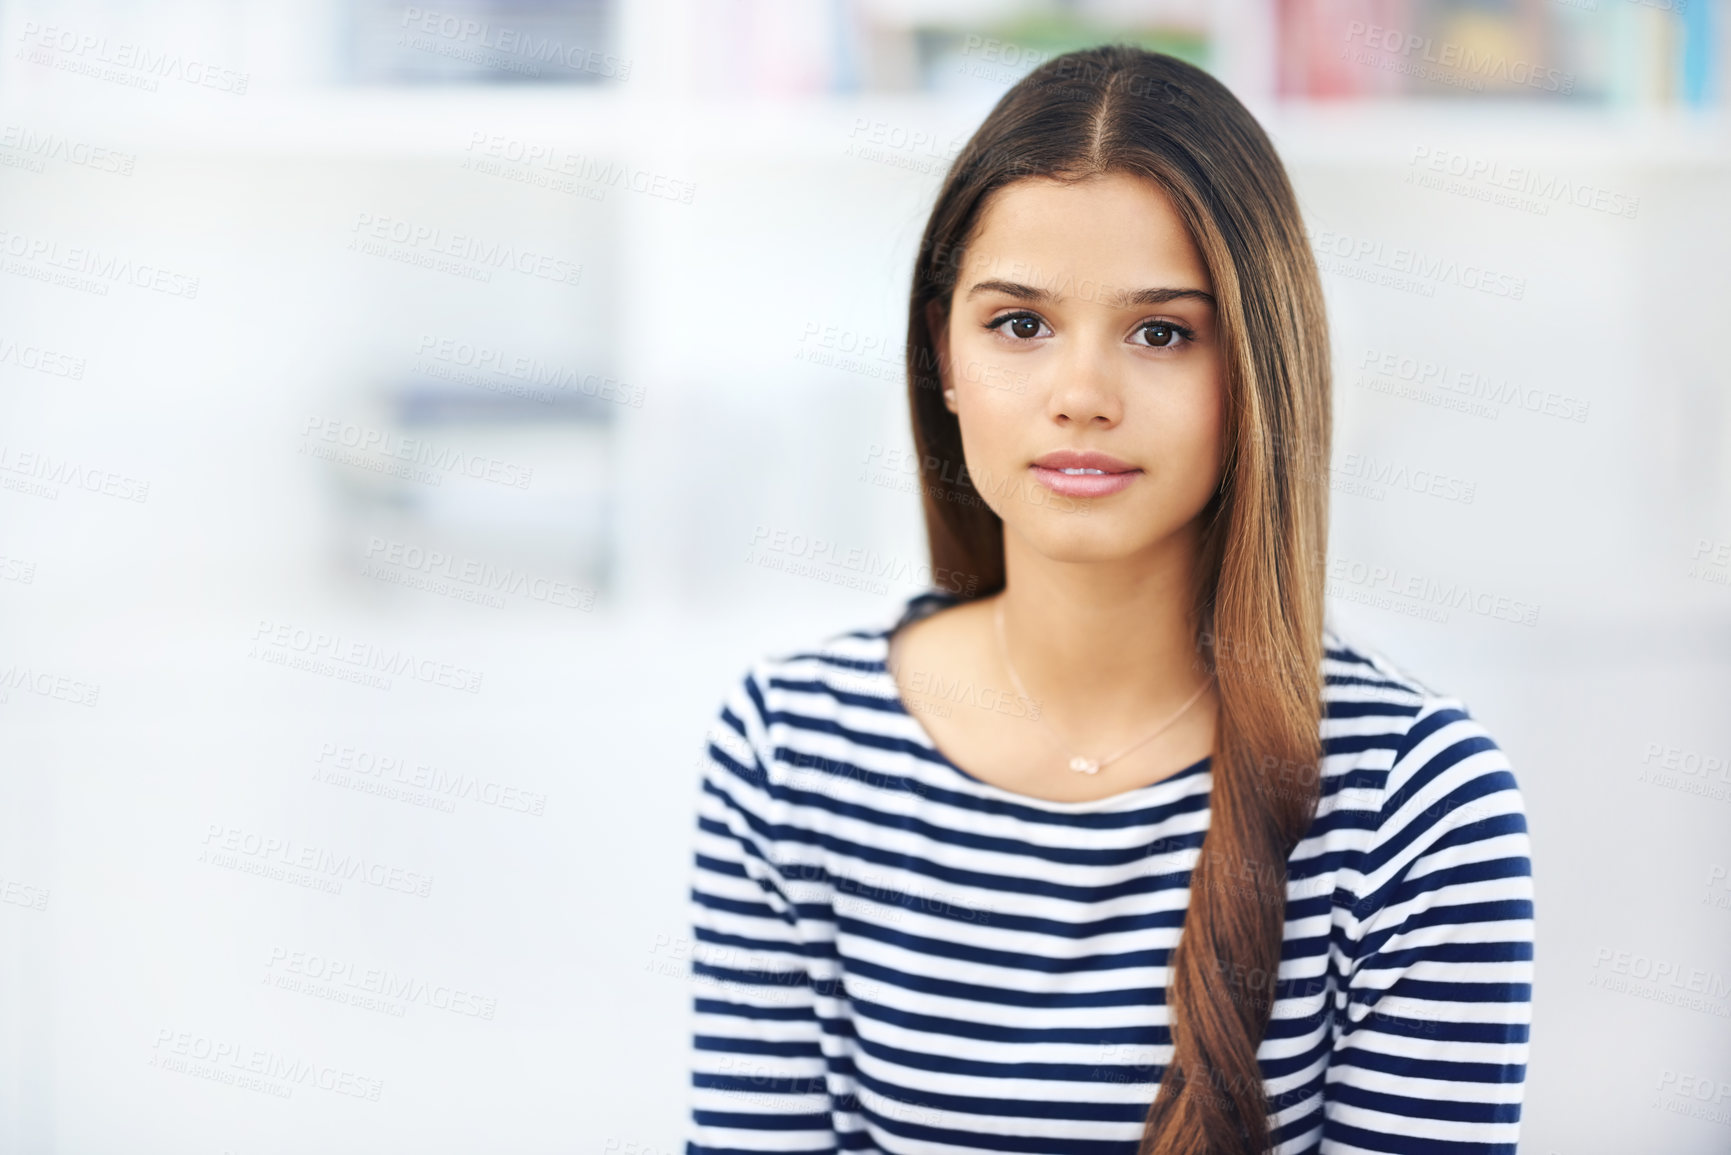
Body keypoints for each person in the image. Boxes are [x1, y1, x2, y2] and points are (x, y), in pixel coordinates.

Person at [685, 44, 1533, 1155]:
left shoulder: (1419, 810)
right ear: (944, 352)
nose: (1081, 395)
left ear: (1258, 370)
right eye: (1020, 325)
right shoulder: (791, 749)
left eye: (1162, 332)